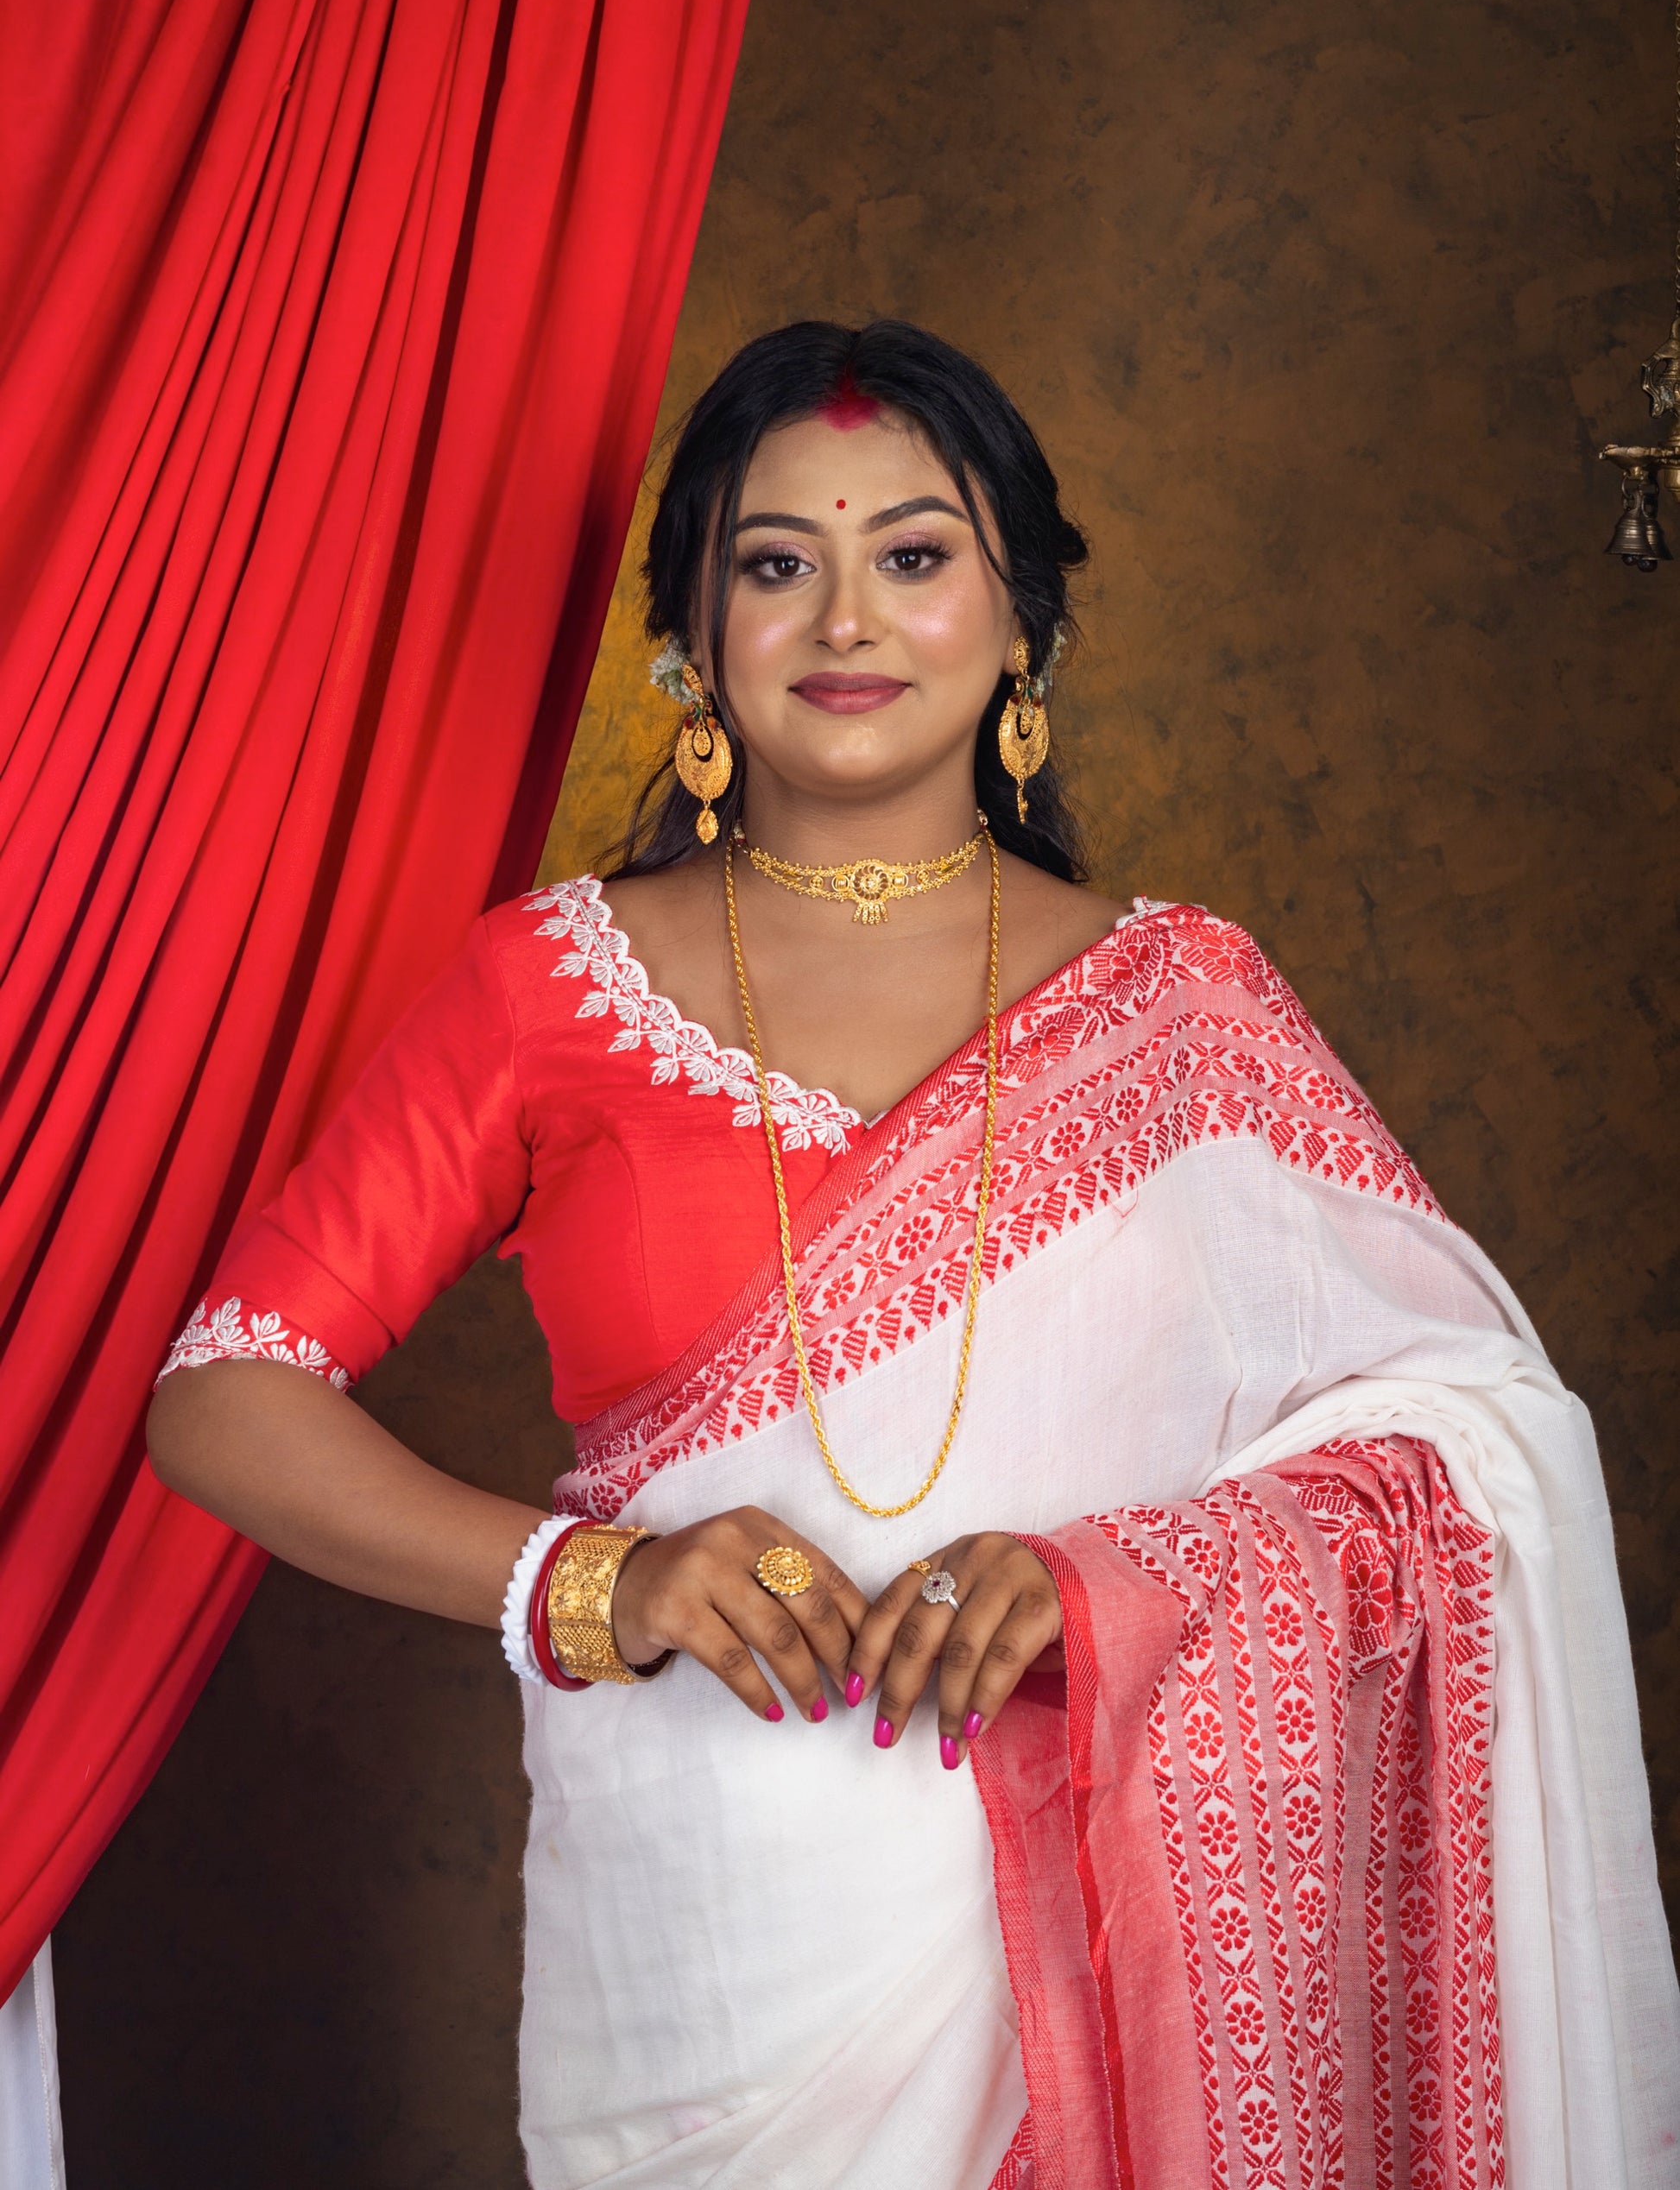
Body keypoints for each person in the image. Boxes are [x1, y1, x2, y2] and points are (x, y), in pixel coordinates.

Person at [148, 319, 1679, 2190]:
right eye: (774, 562)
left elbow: (1463, 1433)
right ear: (692, 636)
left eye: (914, 553)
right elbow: (223, 1393)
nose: (845, 617)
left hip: (1108, 1911)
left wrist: (1112, 1581)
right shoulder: (544, 985)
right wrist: (593, 1579)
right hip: (712, 1948)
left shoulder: (1182, 1008)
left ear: (1021, 621)